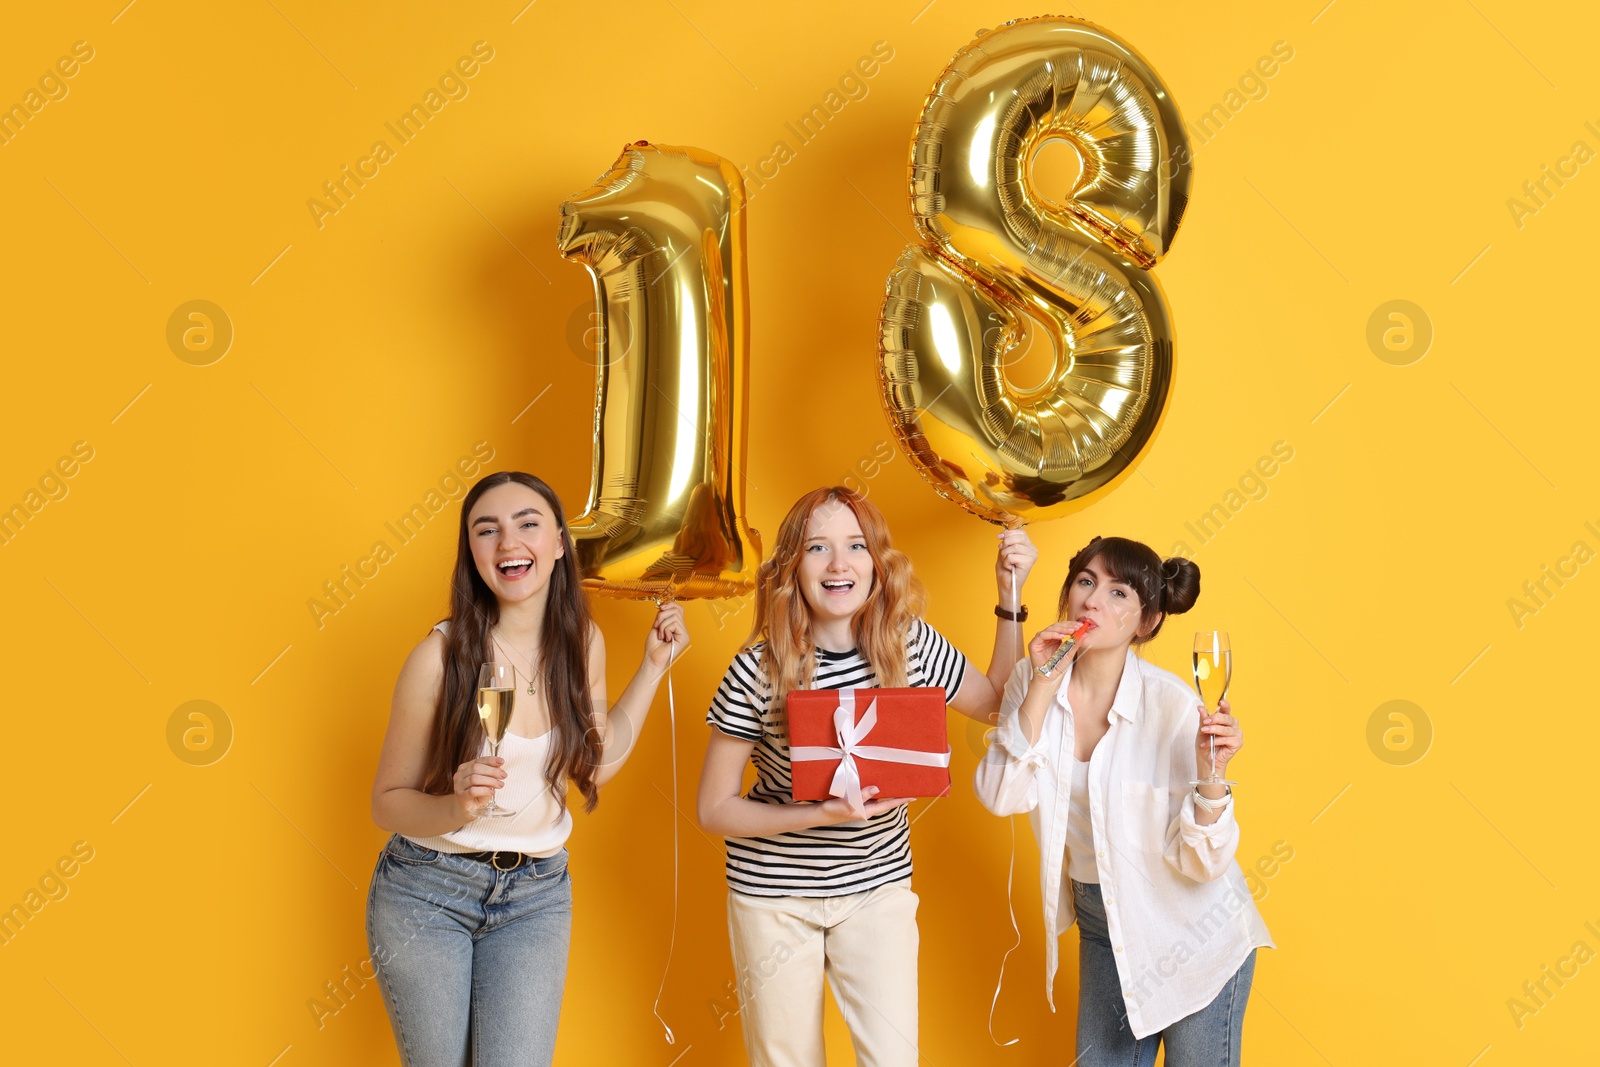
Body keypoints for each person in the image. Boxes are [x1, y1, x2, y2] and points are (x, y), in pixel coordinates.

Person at [696, 486, 1036, 1066]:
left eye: (856, 546)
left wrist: (1010, 597)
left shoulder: (910, 646)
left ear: (877, 564)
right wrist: (817, 814)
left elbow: (1001, 703)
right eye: (817, 548)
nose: (839, 564)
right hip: (774, 896)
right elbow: (713, 808)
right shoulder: (756, 669)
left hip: (876, 891)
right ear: (791, 568)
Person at [366, 471, 686, 1067]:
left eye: (527, 524)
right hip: (429, 889)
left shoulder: (581, 643)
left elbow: (595, 761)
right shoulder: (438, 657)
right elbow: (387, 801)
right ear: (474, 555)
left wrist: (653, 669)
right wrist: (454, 806)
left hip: (536, 895)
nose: (508, 542)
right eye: (487, 531)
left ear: (560, 543)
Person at [975, 535, 1273, 1066]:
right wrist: (1042, 686)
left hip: (1191, 928)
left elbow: (1204, 863)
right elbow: (1000, 795)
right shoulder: (1030, 679)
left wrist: (1212, 778)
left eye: (1118, 594)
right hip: (1102, 925)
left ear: (1147, 622)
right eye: (1086, 583)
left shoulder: (1172, 704)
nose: (1093, 601)